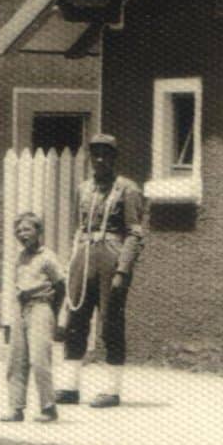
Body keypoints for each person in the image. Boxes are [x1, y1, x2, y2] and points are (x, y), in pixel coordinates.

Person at [58, 134, 147, 408]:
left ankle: (112, 390)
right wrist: (73, 262)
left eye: (106, 155)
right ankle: (71, 387)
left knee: (110, 323)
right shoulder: (84, 189)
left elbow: (135, 233)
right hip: (84, 257)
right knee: (75, 323)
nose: (100, 160)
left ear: (113, 158)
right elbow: (78, 227)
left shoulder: (127, 189)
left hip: (111, 257)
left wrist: (122, 269)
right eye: (95, 154)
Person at [6, 211, 65, 422]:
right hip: (21, 309)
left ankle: (48, 408)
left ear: (38, 232)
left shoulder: (47, 257)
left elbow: (60, 286)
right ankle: (16, 407)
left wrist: (53, 314)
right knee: (16, 359)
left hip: (41, 307)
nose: (22, 234)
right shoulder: (20, 257)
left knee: (39, 360)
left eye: (27, 229)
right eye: (19, 230)